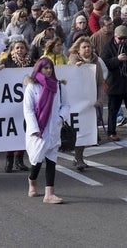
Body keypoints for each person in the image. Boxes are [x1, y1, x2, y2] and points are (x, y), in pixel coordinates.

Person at [23, 57, 67, 204]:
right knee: (37, 160)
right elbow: (28, 110)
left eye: (50, 68)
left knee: (52, 160)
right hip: (39, 130)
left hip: (53, 127)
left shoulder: (59, 86)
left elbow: (66, 105)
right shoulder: (32, 87)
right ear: (39, 69)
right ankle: (32, 180)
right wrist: (35, 128)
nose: (48, 70)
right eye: (45, 68)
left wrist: (60, 118)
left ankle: (49, 194)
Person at [66, 38, 105, 171]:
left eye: (89, 47)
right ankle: (77, 157)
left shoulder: (96, 62)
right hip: (75, 102)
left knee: (85, 131)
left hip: (90, 103)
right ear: (78, 49)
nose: (87, 49)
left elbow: (100, 83)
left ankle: (79, 157)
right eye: (84, 47)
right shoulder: (72, 61)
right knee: (77, 131)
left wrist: (100, 99)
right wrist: (74, 69)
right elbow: (67, 80)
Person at [101, 25, 127, 142]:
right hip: (115, 83)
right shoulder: (108, 47)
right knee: (113, 110)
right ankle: (111, 132)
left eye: (125, 38)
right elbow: (104, 63)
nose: (123, 41)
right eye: (120, 39)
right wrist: (117, 59)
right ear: (115, 37)